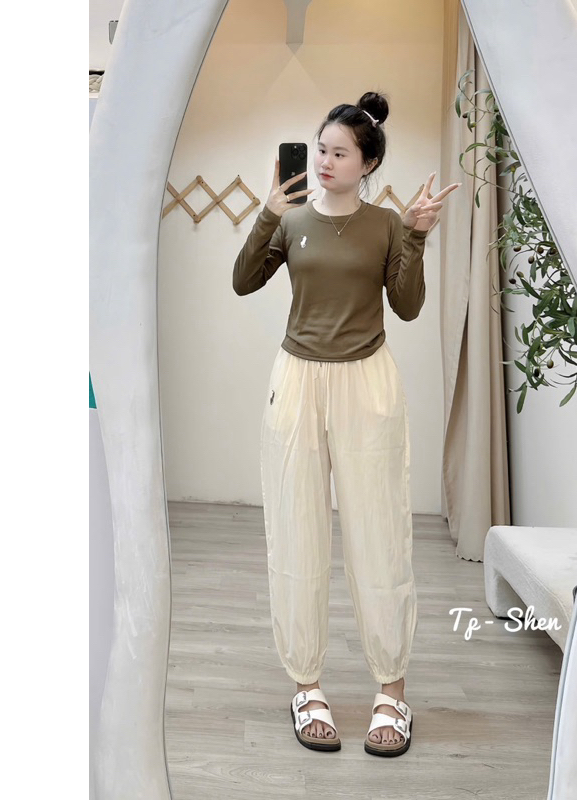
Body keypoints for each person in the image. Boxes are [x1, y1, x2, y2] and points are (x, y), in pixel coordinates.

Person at [233, 91, 459, 757]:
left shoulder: (386, 224)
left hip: (367, 380)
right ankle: (307, 687)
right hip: (297, 381)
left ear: (368, 163)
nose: (324, 161)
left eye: (338, 153)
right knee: (295, 531)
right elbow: (243, 281)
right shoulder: (292, 219)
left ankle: (392, 690)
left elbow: (408, 306)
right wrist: (267, 215)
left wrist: (416, 234)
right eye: (320, 150)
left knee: (379, 532)